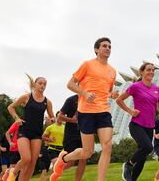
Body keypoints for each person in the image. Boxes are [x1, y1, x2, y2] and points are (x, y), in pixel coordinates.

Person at [52, 37, 119, 181]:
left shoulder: (112, 71)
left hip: (103, 111)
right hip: (86, 112)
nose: (108, 48)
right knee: (87, 152)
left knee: (107, 146)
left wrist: (112, 94)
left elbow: (107, 91)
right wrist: (84, 93)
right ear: (96, 49)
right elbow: (70, 84)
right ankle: (64, 159)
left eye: (109, 46)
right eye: (104, 46)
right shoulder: (87, 65)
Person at [116, 62, 159, 181]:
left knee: (142, 157)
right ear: (142, 72)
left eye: (153, 70)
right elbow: (119, 100)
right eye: (148, 70)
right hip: (136, 124)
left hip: (150, 127)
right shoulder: (135, 86)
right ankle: (128, 164)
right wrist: (130, 111)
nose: (151, 72)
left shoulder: (158, 90)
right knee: (148, 147)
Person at [7, 74, 55, 181]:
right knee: (26, 159)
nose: (43, 86)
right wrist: (16, 118)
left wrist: (52, 120)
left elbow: (52, 116)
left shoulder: (47, 101)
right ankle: (13, 172)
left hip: (37, 133)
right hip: (24, 131)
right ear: (35, 84)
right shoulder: (27, 97)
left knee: (32, 162)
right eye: (40, 83)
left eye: (45, 84)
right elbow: (10, 107)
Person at [57, 95, 86, 181]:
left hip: (84, 133)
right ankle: (54, 174)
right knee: (71, 162)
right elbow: (60, 116)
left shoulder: (89, 99)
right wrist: (72, 120)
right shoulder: (70, 100)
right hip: (71, 134)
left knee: (83, 159)